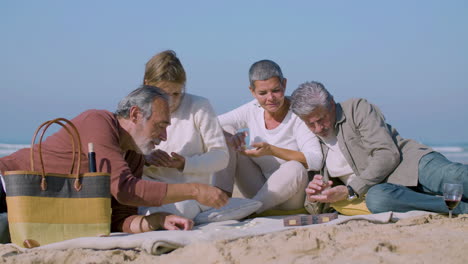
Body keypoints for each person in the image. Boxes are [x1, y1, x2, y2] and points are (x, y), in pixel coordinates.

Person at [0, 85, 229, 238]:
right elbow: (124, 189)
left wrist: (158, 221)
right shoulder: (98, 122)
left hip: (33, 211)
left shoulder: (134, 156)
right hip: (7, 186)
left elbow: (119, 220)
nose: (164, 137)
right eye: (160, 126)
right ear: (135, 115)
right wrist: (195, 190)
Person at [290, 81, 468, 215]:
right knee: (378, 201)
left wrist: (351, 189)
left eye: (321, 119)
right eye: (310, 123)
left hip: (412, 165)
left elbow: (387, 154)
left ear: (331, 104)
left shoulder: (355, 109)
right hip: (385, 190)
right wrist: (318, 194)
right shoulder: (310, 141)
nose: (318, 128)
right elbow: (316, 208)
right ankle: (460, 207)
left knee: (455, 177)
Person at [212, 60, 323, 213]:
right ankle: (219, 203)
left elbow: (316, 160)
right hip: (260, 190)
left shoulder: (298, 113)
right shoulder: (252, 109)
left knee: (295, 167)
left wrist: (272, 150)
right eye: (262, 93)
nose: (270, 98)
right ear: (252, 91)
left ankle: (246, 210)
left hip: (292, 195)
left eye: (276, 90)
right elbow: (210, 124)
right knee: (226, 131)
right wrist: (230, 138)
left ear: (284, 84)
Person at [138, 50, 229, 220]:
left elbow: (221, 157)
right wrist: (145, 160)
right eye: (164, 94)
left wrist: (186, 164)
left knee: (179, 208)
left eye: (176, 93)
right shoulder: (136, 110)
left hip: (189, 192)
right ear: (147, 84)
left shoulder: (199, 106)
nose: (171, 101)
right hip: (150, 188)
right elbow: (123, 159)